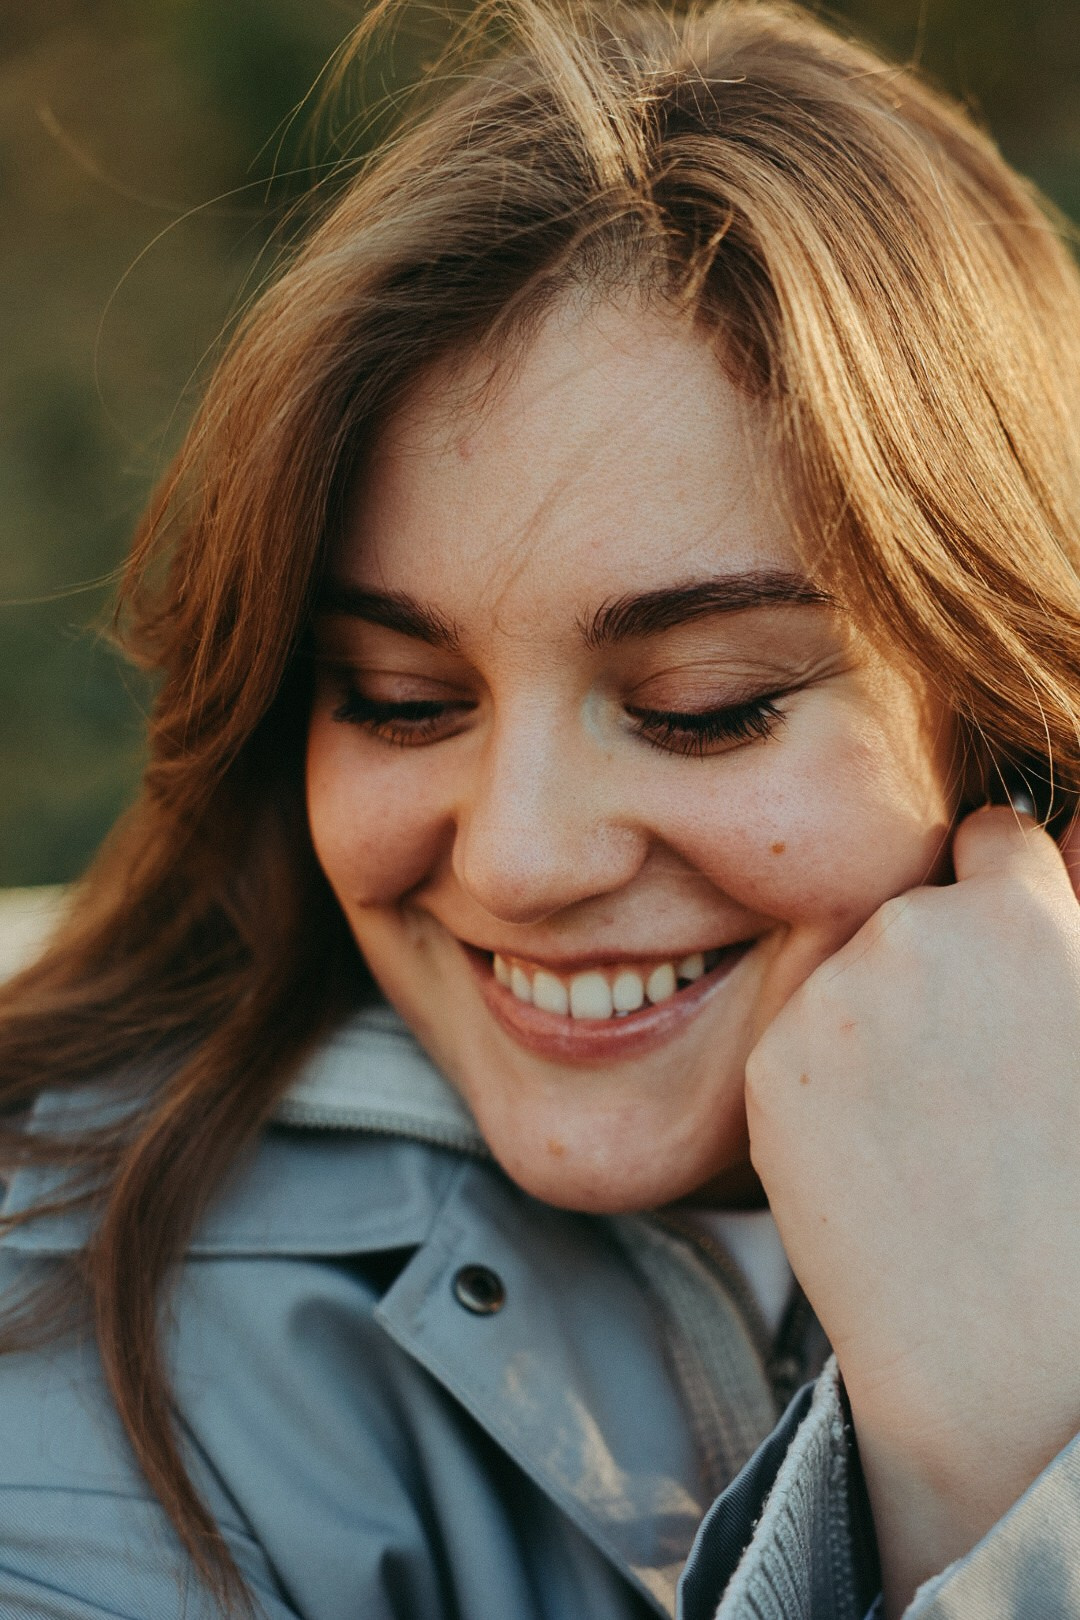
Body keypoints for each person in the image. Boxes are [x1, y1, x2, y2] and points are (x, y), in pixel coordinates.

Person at [2, 1, 1080, 1615]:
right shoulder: (65, 1333)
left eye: (702, 707)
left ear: (1013, 729)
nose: (518, 858)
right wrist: (998, 1471)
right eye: (399, 699)